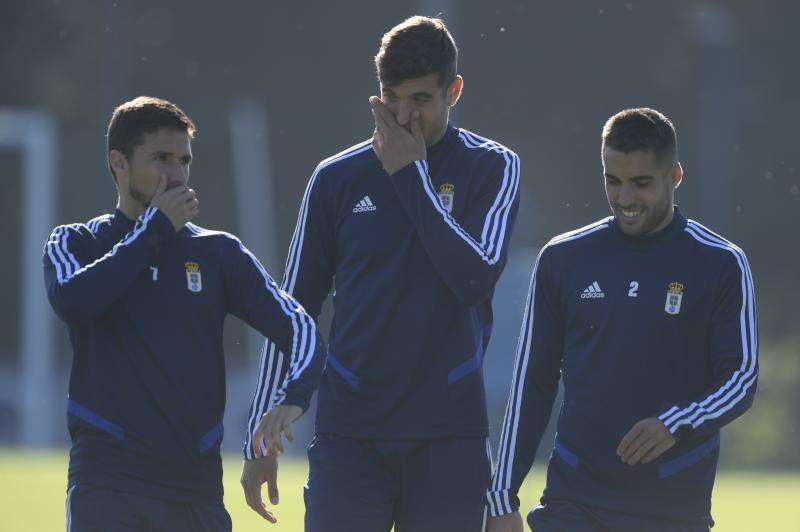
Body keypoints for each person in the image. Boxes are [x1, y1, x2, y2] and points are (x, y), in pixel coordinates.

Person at [240, 16, 521, 532]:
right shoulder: (335, 178)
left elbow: (474, 280)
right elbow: (292, 311)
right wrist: (262, 430)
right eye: (392, 97)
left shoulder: (494, 167)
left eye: (421, 99)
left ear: (453, 91)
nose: (404, 115)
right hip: (351, 435)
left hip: (449, 436)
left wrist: (410, 175)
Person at [44, 96, 325, 531]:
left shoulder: (218, 253)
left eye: (184, 160)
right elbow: (73, 301)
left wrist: (293, 397)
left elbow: (301, 328)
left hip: (196, 495)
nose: (176, 173)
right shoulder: (75, 242)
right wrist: (154, 230)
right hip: (107, 488)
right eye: (160, 158)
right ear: (119, 163)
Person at [486, 108, 757, 532]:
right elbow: (532, 384)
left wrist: (677, 422)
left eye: (641, 183)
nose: (625, 198)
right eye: (613, 181)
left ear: (675, 176)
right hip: (573, 505)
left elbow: (739, 378)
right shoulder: (563, 258)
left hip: (673, 511)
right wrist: (501, 494)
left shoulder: (720, 263)